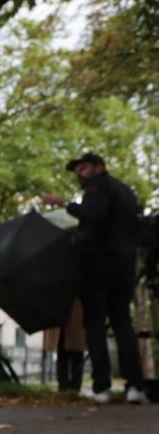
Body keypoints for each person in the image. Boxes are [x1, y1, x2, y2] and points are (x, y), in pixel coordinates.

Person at [42, 152, 146, 404]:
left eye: (84, 168)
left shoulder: (98, 188)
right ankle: (135, 386)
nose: (79, 173)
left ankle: (102, 387)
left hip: (99, 267)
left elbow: (94, 216)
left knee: (96, 326)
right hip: (124, 265)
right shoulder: (126, 192)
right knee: (123, 324)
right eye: (77, 169)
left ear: (100, 167)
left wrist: (64, 203)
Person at [42, 299, 85, 392]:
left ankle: (70, 386)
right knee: (64, 352)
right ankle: (67, 386)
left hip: (73, 309)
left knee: (74, 353)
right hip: (63, 312)